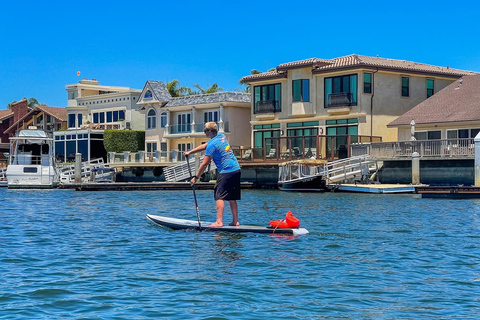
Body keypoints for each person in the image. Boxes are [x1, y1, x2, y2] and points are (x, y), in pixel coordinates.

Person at [184, 122, 241, 227]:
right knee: (232, 197)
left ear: (210, 131)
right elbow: (205, 145)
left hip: (226, 171)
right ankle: (235, 221)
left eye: (205, 131)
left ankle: (219, 222)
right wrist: (190, 152)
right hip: (236, 169)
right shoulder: (221, 136)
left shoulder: (212, 144)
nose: (205, 133)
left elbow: (205, 164)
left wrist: (196, 177)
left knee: (219, 195)